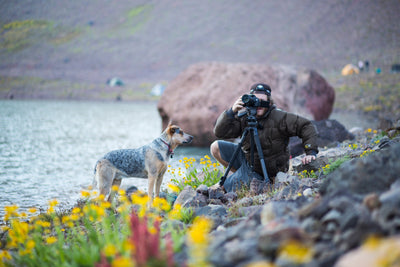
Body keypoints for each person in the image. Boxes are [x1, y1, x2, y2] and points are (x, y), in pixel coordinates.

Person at [211, 83, 318, 191]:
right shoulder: (245, 117)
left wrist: (310, 151)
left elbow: (306, 126)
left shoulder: (280, 117)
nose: (258, 104)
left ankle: (258, 180)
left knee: (221, 188)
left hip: (268, 169)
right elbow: (219, 132)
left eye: (262, 101)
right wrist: (231, 112)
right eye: (255, 100)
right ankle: (242, 175)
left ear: (269, 102)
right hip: (249, 161)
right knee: (215, 146)